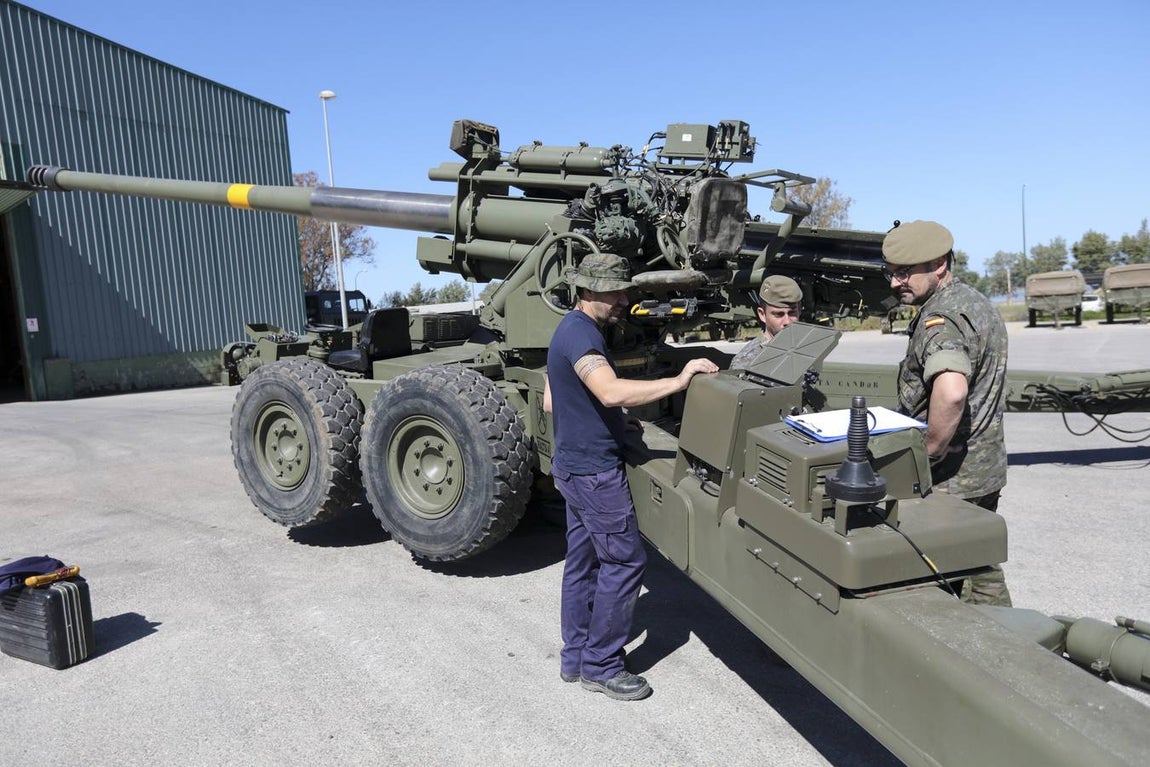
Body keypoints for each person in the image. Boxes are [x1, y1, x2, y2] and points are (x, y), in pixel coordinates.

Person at [544, 253, 718, 701]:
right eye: (615, 291)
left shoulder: (568, 329)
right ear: (588, 291)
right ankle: (601, 665)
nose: (624, 298)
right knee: (624, 563)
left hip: (570, 465)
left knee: (582, 563)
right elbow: (608, 389)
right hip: (595, 474)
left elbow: (551, 400)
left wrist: (614, 421)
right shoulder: (582, 336)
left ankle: (576, 656)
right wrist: (680, 381)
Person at [882, 220, 1012, 606]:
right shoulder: (973, 301)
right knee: (977, 569)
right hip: (982, 473)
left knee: (954, 584)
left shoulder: (943, 319)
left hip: (949, 482)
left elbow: (952, 391)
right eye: (890, 273)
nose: (894, 283)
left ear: (939, 264)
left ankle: (1000, 656)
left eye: (904, 273)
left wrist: (931, 449)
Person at [729, 275, 803, 370]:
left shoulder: (806, 347)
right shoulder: (747, 360)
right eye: (778, 314)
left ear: (800, 310)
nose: (787, 322)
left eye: (792, 313)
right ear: (762, 315)